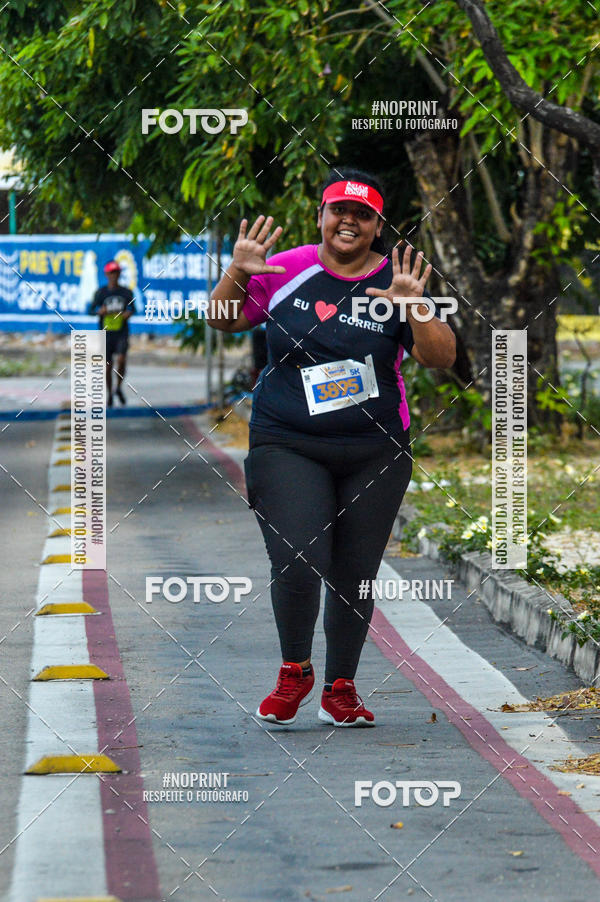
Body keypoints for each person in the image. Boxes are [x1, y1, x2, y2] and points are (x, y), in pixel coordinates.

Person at [207, 168, 456, 727]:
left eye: (363, 215)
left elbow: (441, 358)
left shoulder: (398, 279)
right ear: (320, 215)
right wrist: (236, 271)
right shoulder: (285, 268)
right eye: (339, 210)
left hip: (375, 449)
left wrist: (416, 307)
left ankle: (341, 687)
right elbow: (222, 321)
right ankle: (294, 670)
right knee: (298, 557)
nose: (349, 221)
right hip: (287, 442)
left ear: (377, 226)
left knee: (355, 572)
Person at [89, 260, 136, 406]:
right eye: (111, 273)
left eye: (116, 272)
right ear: (106, 274)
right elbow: (90, 310)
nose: (114, 275)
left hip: (121, 332)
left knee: (121, 360)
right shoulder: (101, 293)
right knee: (108, 365)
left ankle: (118, 387)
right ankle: (109, 393)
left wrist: (128, 313)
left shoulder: (126, 292)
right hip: (106, 333)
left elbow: (133, 309)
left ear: (119, 274)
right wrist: (100, 311)